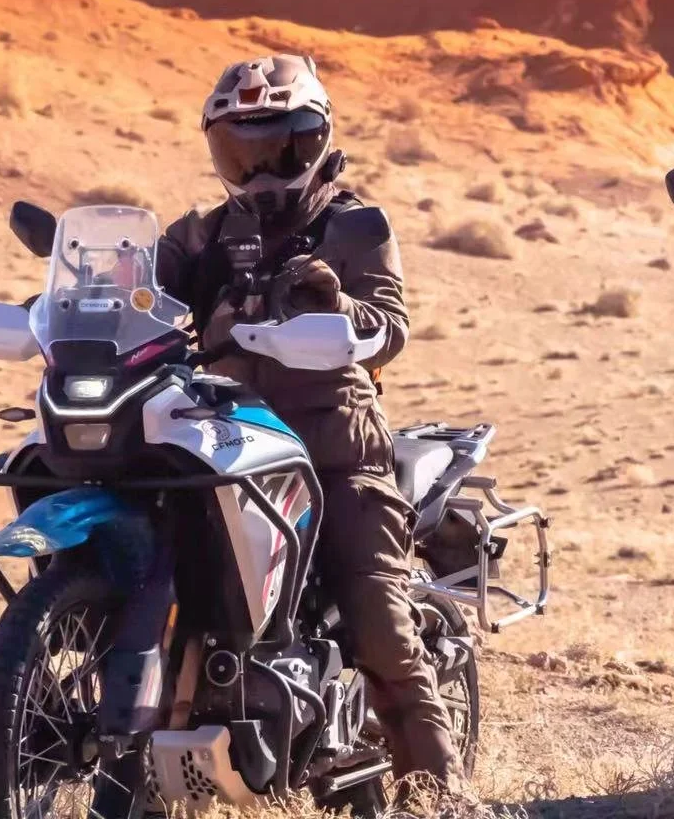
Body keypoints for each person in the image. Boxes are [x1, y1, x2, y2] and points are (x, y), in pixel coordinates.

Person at [155, 54, 460, 788]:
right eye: (243, 151)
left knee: (378, 620)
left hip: (334, 452)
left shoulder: (355, 227)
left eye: (281, 148)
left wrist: (339, 306)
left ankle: (443, 793)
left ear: (316, 140)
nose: (261, 173)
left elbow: (389, 325)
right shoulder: (196, 238)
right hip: (224, 445)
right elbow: (146, 301)